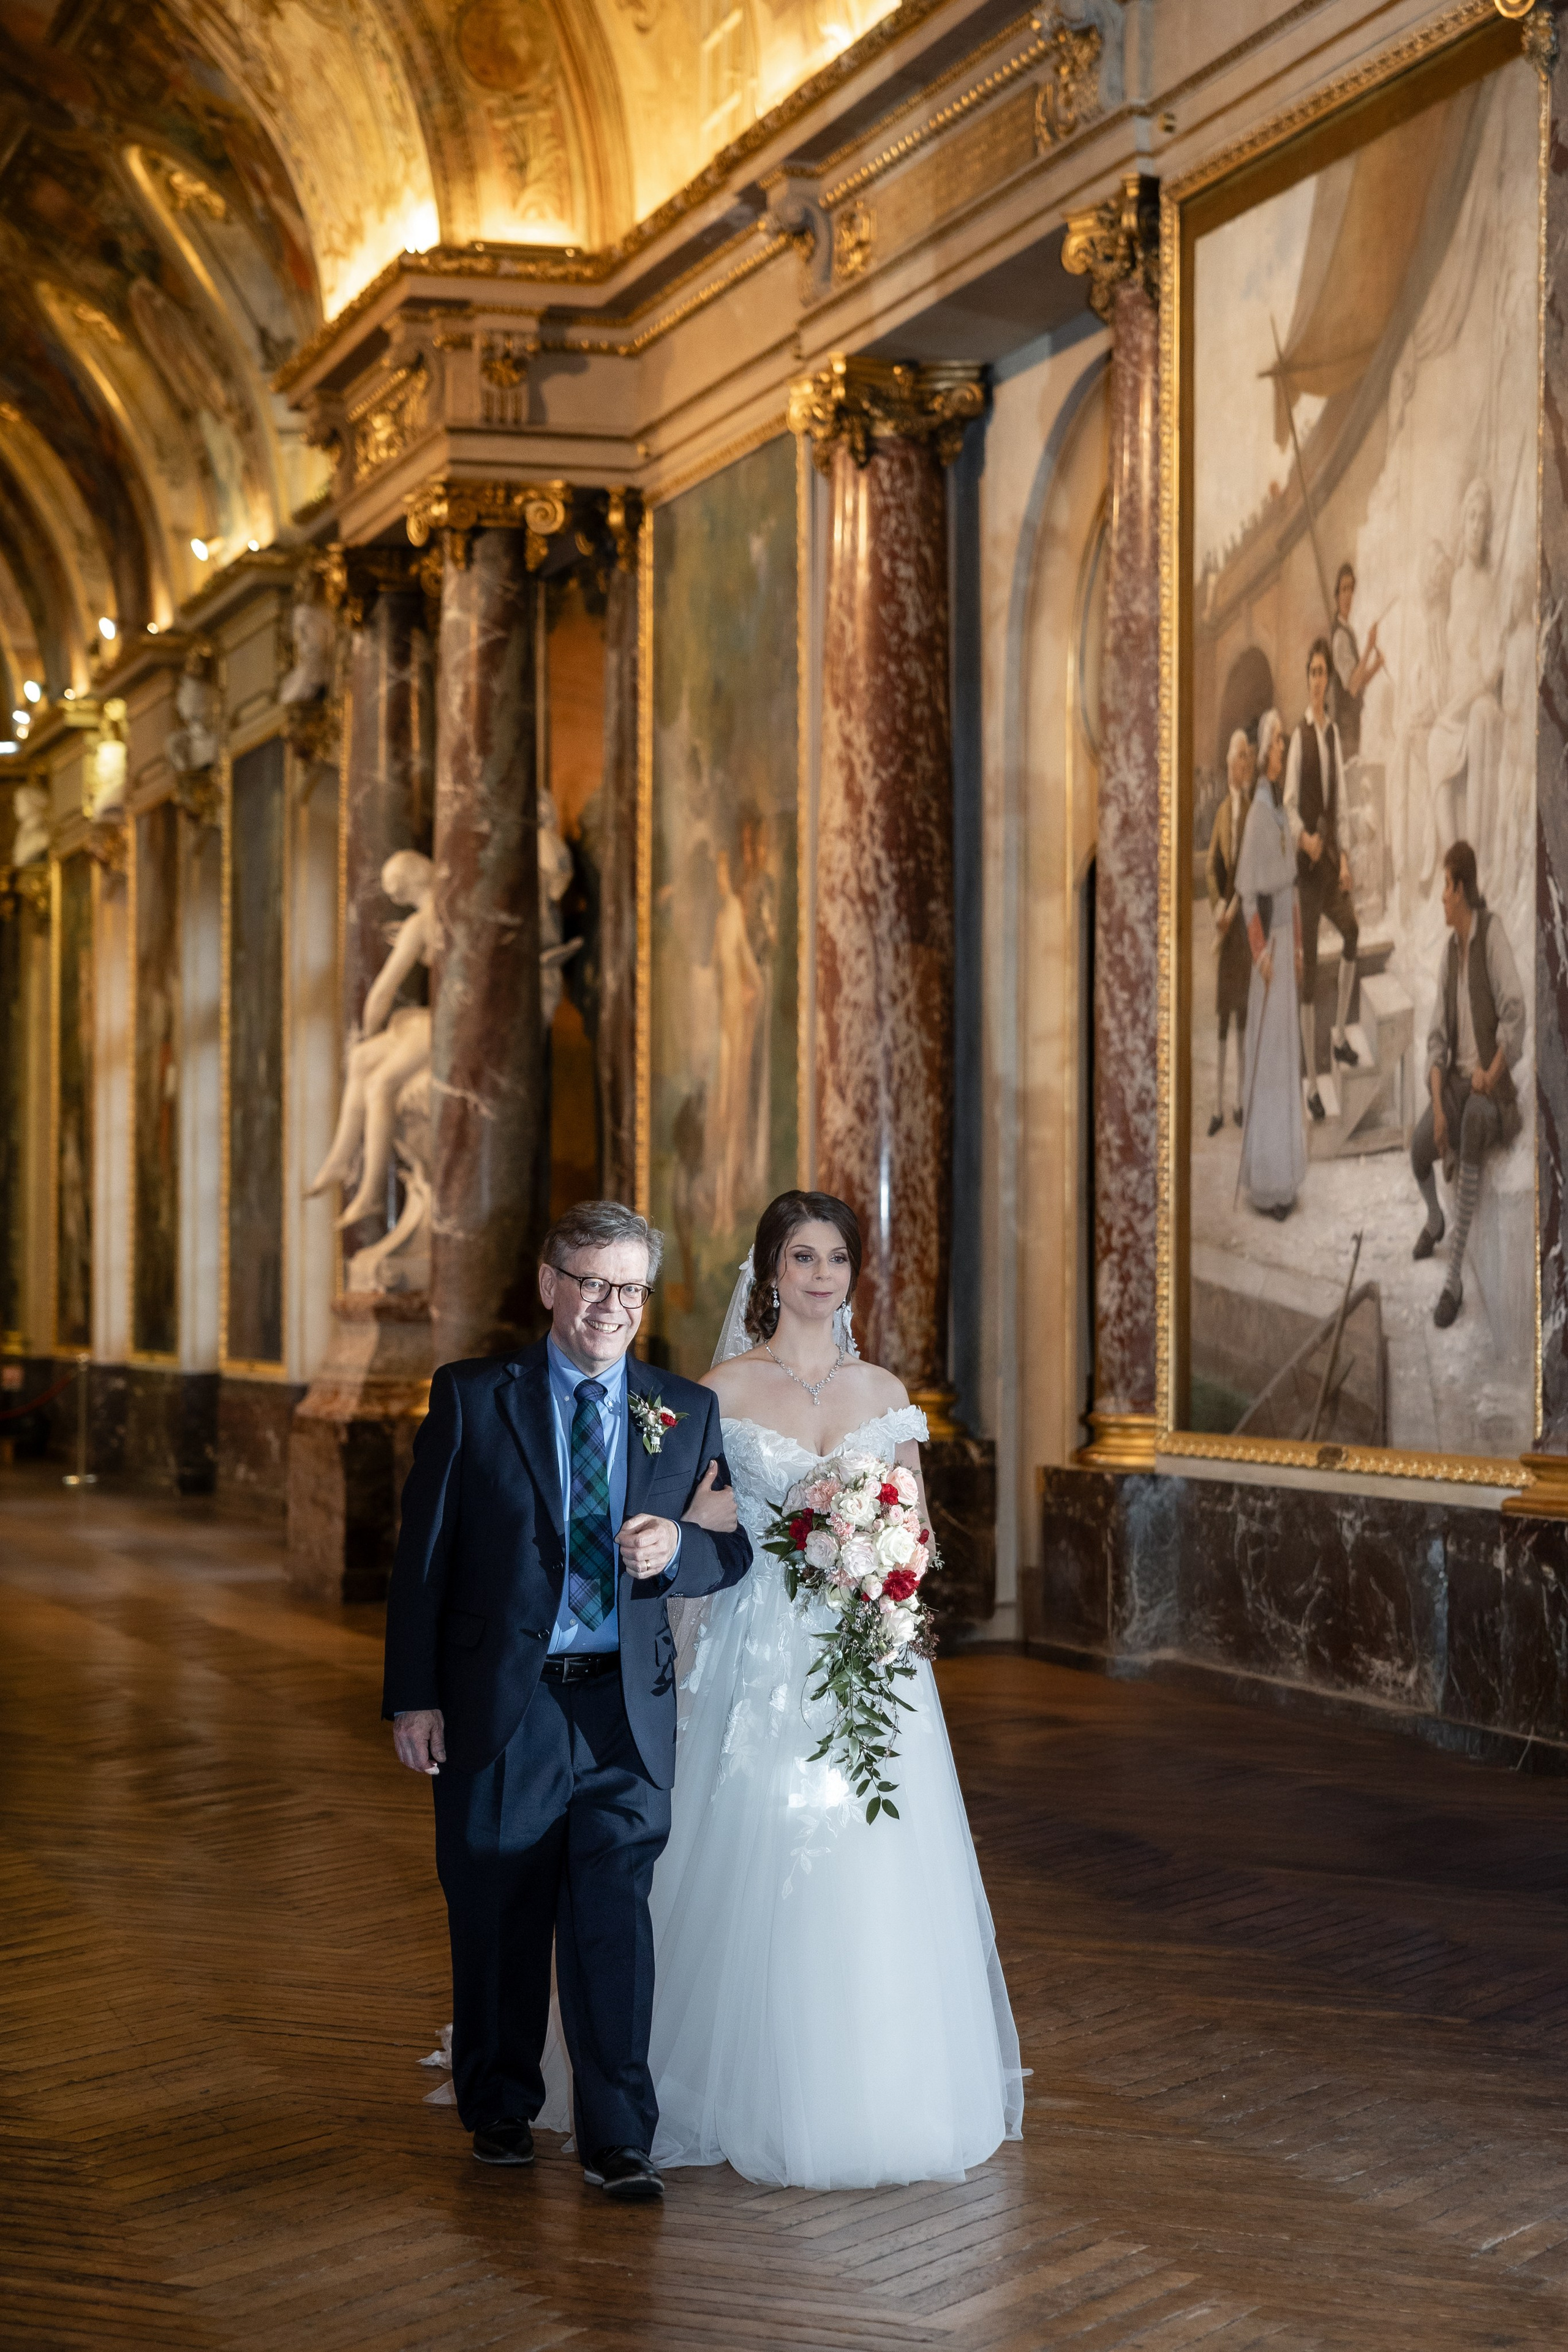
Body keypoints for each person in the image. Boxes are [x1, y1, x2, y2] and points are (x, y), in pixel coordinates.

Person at [640, 1190, 1023, 2187]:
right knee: (753, 1842)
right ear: (768, 1271)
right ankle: (736, 2083)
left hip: (865, 1646)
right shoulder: (722, 1389)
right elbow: (706, 1521)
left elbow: (919, 1530)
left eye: (838, 1257)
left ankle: (879, 2085)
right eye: (803, 1256)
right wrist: (774, 1533)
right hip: (758, 1645)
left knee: (872, 1850)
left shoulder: (882, 1391)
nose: (822, 1274)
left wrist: (880, 1556)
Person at [382, 1200, 752, 2200]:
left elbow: (733, 1550)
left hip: (626, 1711)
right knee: (497, 1907)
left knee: (612, 1922)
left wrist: (681, 1551)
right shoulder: (473, 1396)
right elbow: (423, 1561)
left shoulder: (682, 1407)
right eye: (592, 1281)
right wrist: (414, 1698)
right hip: (506, 1704)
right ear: (551, 1285)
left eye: (629, 1287)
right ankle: (500, 2109)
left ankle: (617, 2136)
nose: (610, 1305)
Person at [1410, 842, 1526, 1329]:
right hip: (1457, 1086)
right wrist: (1438, 1109)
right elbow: (1437, 1041)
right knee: (1418, 1147)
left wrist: (1491, 1073)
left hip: (1493, 1094)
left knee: (1476, 1121)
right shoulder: (1448, 954)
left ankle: (1453, 1280)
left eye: (1445, 886)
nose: (1441, 897)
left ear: (1462, 889)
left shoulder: (1492, 935)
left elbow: (1516, 1016)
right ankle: (1435, 1221)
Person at [1234, 709, 1306, 1222]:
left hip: (1287, 950)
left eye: (1283, 743)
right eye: (1278, 743)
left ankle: (1287, 1181)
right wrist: (1261, 954)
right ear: (1265, 753)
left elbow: (1291, 892)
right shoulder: (1259, 817)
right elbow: (1247, 897)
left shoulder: (1279, 813)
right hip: (1268, 963)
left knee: (1287, 1063)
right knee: (1271, 1066)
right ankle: (1266, 1182)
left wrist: (1298, 946)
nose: (1283, 750)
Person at [1284, 636, 1359, 1115]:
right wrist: (1303, 839)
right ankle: (1312, 1086)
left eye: (1322, 673)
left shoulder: (1332, 734)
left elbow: (1344, 806)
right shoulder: (1299, 736)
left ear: (1329, 680)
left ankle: (1336, 1038)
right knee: (1309, 974)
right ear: (1307, 679)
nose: (1317, 680)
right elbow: (1290, 804)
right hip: (1305, 871)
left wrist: (1345, 857)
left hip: (1330, 865)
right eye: (1310, 672)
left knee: (1352, 933)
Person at [1204, 729, 1254, 1136]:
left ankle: (1240, 1101)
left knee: (1242, 1018)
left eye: (1246, 758)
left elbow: (1251, 873)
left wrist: (1235, 908)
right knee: (1223, 1017)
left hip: (1244, 933)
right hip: (1225, 926)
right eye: (1238, 757)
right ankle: (1217, 1106)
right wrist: (1219, 905)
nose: (1243, 764)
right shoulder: (1222, 812)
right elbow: (1210, 869)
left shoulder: (1254, 812)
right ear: (1229, 763)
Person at [1329, 560, 1384, 761]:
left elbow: (1359, 681)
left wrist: (1376, 667)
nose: (1348, 595)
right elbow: (1352, 686)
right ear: (1336, 596)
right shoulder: (1340, 636)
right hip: (1344, 734)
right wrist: (1369, 647)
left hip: (1352, 729)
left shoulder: (1348, 631)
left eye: (1351, 589)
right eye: (1344, 589)